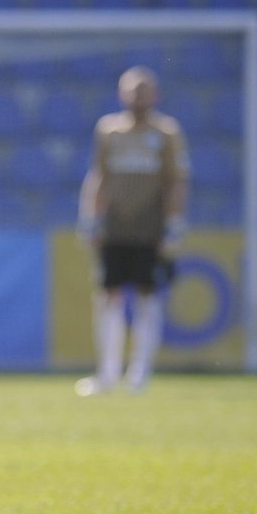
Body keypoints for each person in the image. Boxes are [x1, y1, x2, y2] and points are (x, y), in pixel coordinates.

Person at [75, 66, 190, 397]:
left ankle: (140, 373)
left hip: (149, 229)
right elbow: (99, 176)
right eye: (132, 89)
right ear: (121, 94)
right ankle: (108, 374)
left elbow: (176, 181)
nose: (138, 96)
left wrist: (174, 224)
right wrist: (90, 218)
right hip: (115, 228)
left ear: (155, 94)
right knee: (109, 296)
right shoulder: (109, 130)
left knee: (146, 296)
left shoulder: (167, 133)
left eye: (144, 89)